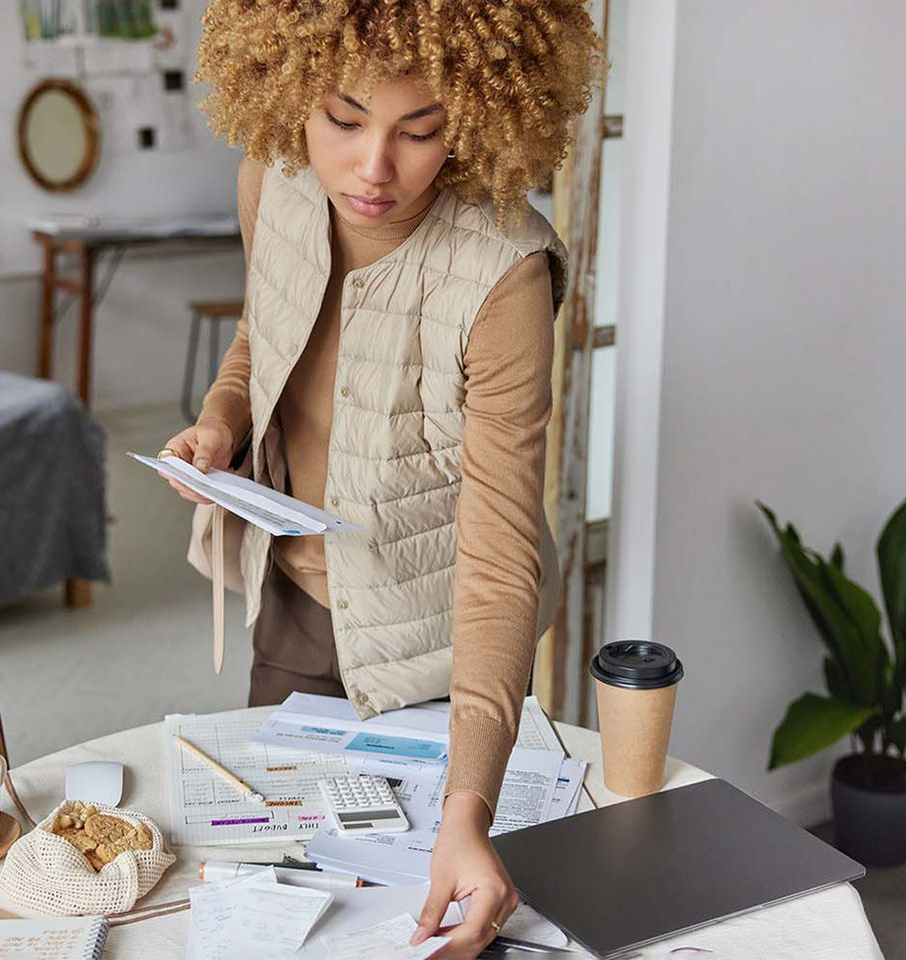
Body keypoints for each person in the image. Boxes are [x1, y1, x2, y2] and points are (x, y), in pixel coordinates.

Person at [159, 2, 603, 956]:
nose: (373, 168)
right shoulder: (269, 182)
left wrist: (468, 808)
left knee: (427, 904)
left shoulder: (503, 275)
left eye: (422, 130)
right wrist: (220, 423)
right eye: (344, 118)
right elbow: (260, 332)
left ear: (479, 116)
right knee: (278, 892)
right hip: (293, 599)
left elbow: (495, 559)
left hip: (445, 643)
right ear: (286, 90)